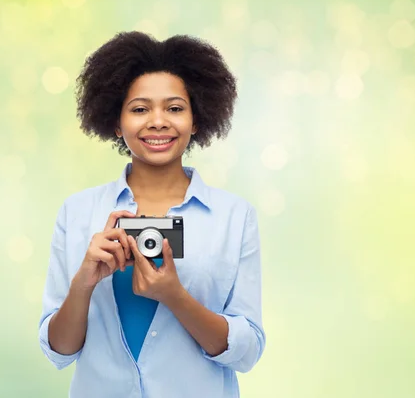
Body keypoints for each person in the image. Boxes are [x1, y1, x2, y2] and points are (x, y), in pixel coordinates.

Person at [38, 31, 265, 397]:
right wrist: (84, 281)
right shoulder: (78, 212)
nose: (158, 122)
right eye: (140, 109)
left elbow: (247, 351)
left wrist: (174, 295)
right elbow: (60, 350)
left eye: (174, 108)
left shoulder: (234, 216)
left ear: (196, 120)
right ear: (116, 121)